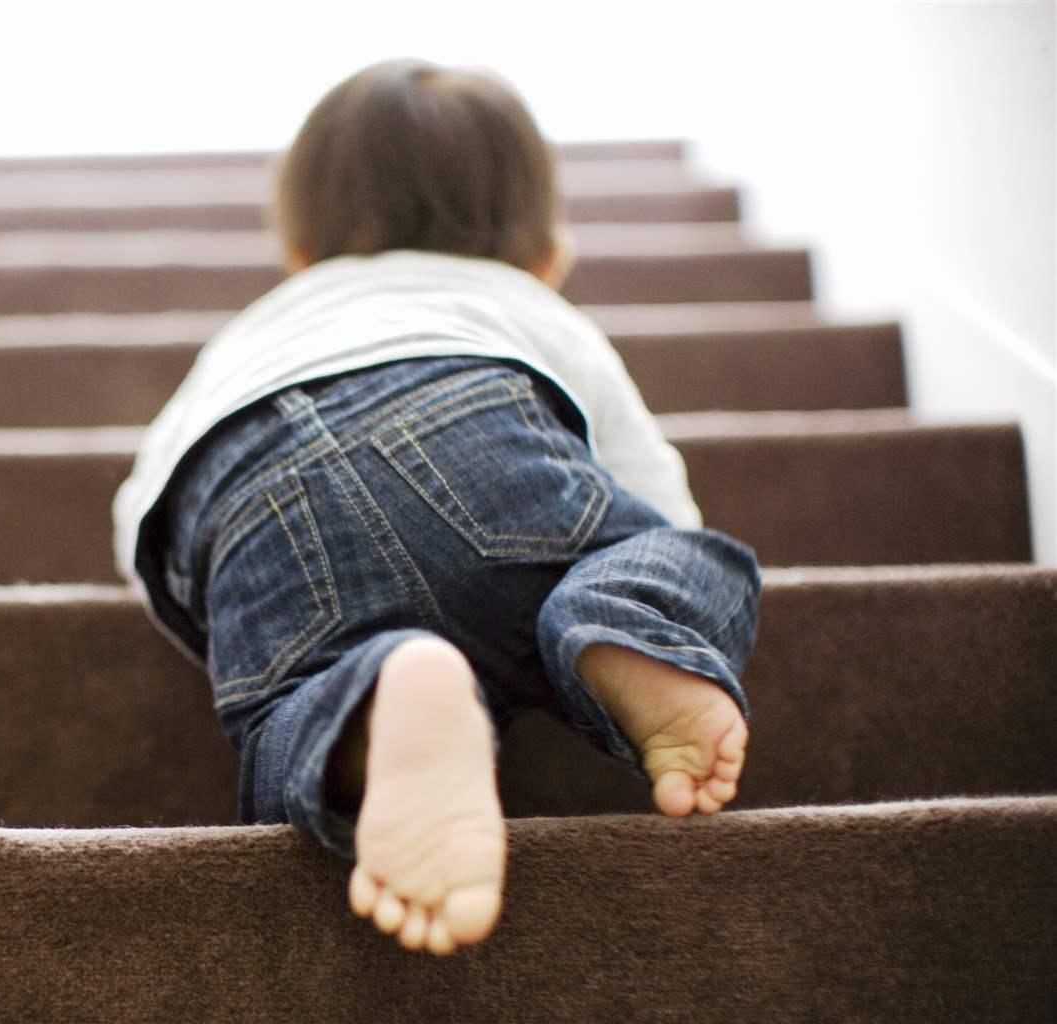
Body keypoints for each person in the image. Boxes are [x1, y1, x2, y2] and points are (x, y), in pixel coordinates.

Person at [110, 58, 762, 958]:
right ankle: (623, 623)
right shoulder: (522, 304)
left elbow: (143, 512)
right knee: (688, 557)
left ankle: (371, 703)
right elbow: (655, 491)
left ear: (301, 248)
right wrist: (654, 570)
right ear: (545, 252)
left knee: (287, 719)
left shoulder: (250, 332)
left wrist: (219, 622)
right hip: (475, 420)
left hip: (247, 497)